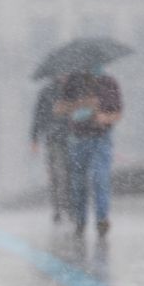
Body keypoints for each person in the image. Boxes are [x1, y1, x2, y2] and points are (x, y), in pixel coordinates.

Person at [55, 69, 123, 237]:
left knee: (100, 178)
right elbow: (59, 108)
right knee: (78, 182)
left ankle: (102, 219)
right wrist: (83, 104)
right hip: (78, 139)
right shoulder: (73, 81)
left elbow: (117, 112)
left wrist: (104, 117)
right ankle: (80, 220)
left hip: (101, 138)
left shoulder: (109, 82)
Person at [31, 76, 71, 222]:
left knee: (70, 173)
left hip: (73, 136)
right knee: (56, 173)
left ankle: (69, 204)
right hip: (53, 138)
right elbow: (38, 116)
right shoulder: (47, 92)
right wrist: (35, 138)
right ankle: (58, 208)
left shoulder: (75, 89)